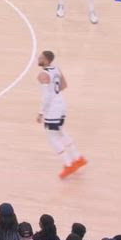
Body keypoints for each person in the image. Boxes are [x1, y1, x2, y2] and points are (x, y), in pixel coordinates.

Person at [36, 50, 87, 178]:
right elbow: (64, 85)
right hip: (61, 104)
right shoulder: (56, 69)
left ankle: (68, 164)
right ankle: (78, 158)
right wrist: (55, 94)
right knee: (61, 131)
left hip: (53, 108)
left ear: (46, 60)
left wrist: (41, 112)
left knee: (52, 137)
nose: (38, 59)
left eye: (41, 58)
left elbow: (46, 96)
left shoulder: (43, 75)